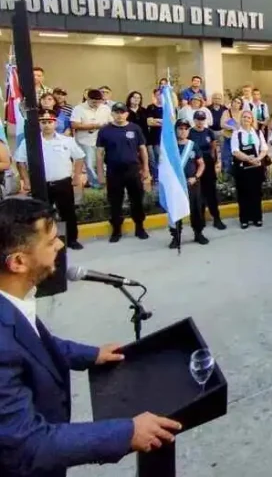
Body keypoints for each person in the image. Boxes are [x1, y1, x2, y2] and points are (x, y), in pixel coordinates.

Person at [0, 198, 183, 476]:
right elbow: (27, 445)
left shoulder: (12, 299)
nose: (60, 246)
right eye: (50, 242)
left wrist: (92, 355)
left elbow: (34, 343)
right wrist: (127, 433)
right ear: (18, 262)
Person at [15, 109, 85, 250]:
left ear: (56, 123)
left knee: (67, 213)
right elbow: (20, 161)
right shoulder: (30, 142)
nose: (46, 125)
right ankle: (44, 242)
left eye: (49, 122)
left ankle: (71, 240)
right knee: (42, 215)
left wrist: (76, 176)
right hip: (41, 185)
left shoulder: (67, 140)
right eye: (43, 122)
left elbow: (79, 157)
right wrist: (26, 181)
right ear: (39, 124)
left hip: (63, 183)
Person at [96, 103, 150, 243]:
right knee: (115, 201)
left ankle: (139, 227)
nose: (119, 115)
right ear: (112, 114)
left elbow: (143, 149)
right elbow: (99, 154)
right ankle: (116, 230)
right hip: (114, 171)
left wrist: (146, 169)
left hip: (132, 170)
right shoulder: (105, 131)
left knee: (137, 200)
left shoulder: (135, 128)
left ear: (127, 114)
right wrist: (100, 174)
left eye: (122, 112)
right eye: (117, 112)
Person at [170, 119, 209, 247]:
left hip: (192, 183)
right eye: (180, 128)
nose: (183, 131)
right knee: (176, 211)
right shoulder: (170, 146)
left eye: (186, 129)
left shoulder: (193, 145)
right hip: (176, 184)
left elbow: (201, 164)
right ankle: (176, 237)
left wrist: (196, 177)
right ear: (176, 130)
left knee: (196, 209)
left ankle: (198, 233)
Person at [188, 111, 226, 230]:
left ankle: (216, 218)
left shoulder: (209, 132)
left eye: (202, 119)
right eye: (198, 119)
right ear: (194, 120)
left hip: (208, 164)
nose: (200, 122)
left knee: (211, 192)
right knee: (199, 193)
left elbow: (213, 146)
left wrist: (216, 161)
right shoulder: (190, 133)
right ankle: (201, 218)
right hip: (196, 165)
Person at [231, 110, 269, 229]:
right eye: (244, 117)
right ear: (241, 119)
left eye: (249, 117)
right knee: (243, 194)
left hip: (256, 167)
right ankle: (244, 219)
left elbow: (264, 148)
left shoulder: (257, 132)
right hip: (242, 168)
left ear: (252, 120)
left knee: (256, 193)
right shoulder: (236, 133)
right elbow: (235, 151)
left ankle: (257, 218)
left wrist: (258, 158)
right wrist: (248, 159)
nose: (246, 119)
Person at [69, 89, 111, 188]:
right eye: (94, 102)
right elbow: (74, 125)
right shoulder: (79, 109)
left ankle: (104, 182)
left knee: (102, 163)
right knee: (89, 164)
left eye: (99, 102)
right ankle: (95, 184)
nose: (96, 104)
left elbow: (111, 122)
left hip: (102, 141)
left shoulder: (105, 108)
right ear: (88, 99)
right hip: (85, 141)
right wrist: (94, 126)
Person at [145, 88, 164, 182]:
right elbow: (149, 122)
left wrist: (156, 120)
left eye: (161, 94)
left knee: (159, 157)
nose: (160, 96)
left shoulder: (168, 108)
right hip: (151, 136)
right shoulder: (150, 107)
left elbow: (171, 122)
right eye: (158, 94)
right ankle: (155, 177)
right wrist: (163, 121)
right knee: (151, 159)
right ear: (155, 96)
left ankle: (162, 177)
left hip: (163, 137)